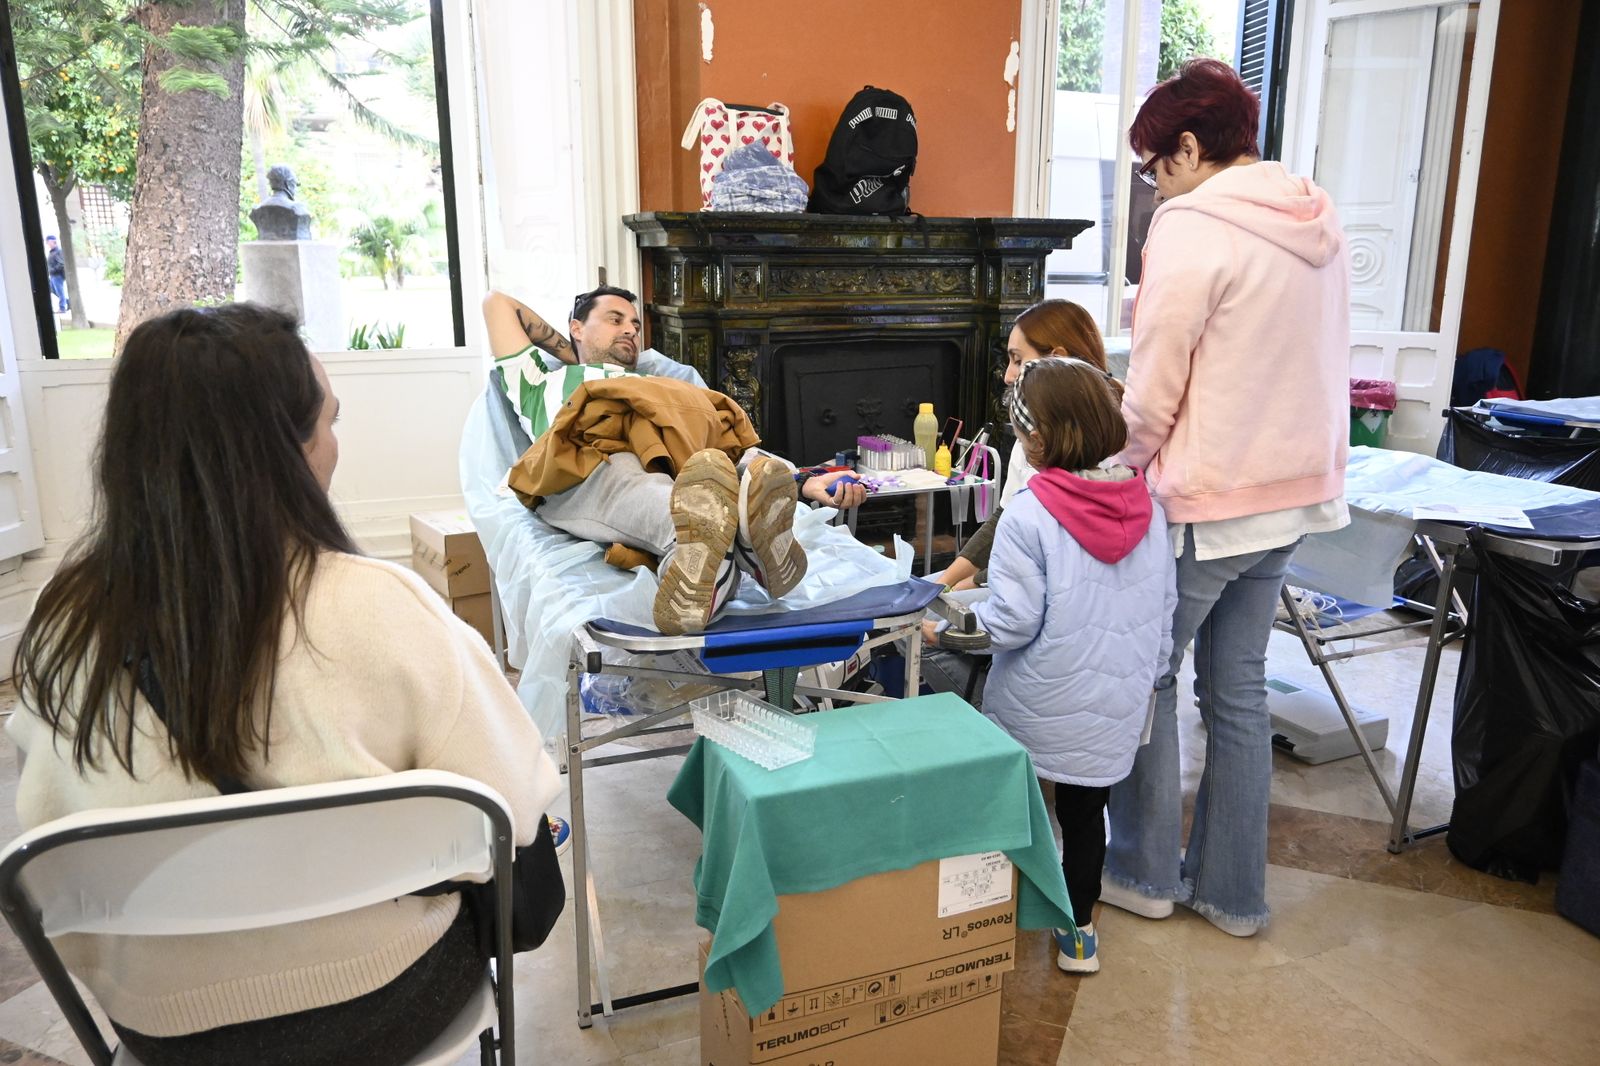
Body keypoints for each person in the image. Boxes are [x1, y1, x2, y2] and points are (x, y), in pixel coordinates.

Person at [9, 303, 561, 1066]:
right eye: (327, 422)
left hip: (165, 1029)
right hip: (381, 1001)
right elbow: (517, 805)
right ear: (286, 450)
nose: (336, 443)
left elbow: (44, 832)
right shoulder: (378, 607)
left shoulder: (60, 623)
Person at [1102, 59, 1351, 937]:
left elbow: (1154, 383)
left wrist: (1109, 464)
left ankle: (1140, 873)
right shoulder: (1314, 218)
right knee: (1237, 692)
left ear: (1190, 147)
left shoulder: (1192, 225)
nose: (1153, 182)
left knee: (1147, 677)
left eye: (1153, 164)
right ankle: (1233, 893)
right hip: (1294, 493)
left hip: (1211, 500)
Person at [924, 357, 1174, 975]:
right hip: (1118, 704)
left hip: (1039, 706)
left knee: (1013, 801)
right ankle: (1079, 932)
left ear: (1040, 437)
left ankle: (988, 919)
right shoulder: (1149, 505)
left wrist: (943, 628)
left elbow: (1011, 625)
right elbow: (1164, 612)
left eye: (1018, 432)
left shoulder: (1031, 514)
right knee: (1087, 816)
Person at [482, 286, 866, 635]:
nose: (630, 330)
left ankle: (727, 559)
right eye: (615, 320)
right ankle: (745, 550)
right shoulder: (540, 383)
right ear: (577, 327)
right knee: (672, 500)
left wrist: (802, 481)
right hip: (592, 462)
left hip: (679, 464)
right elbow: (497, 303)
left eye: (634, 324)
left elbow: (727, 442)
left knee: (728, 472)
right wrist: (573, 356)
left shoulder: (658, 384)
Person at [932, 299, 1113, 594]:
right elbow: (1003, 519)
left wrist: (961, 587)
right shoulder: (1029, 438)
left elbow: (1042, 562)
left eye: (1017, 359)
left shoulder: (1103, 453)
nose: (1007, 375)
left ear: (1055, 358)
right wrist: (943, 582)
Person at [45, 235, 67, 313]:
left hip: (57, 276)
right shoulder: (52, 252)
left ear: (53, 242)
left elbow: (61, 264)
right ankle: (67, 302)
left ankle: (62, 308)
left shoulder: (58, 251)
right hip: (53, 276)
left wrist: (52, 270)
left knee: (60, 292)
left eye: (48, 242)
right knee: (53, 290)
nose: (47, 244)